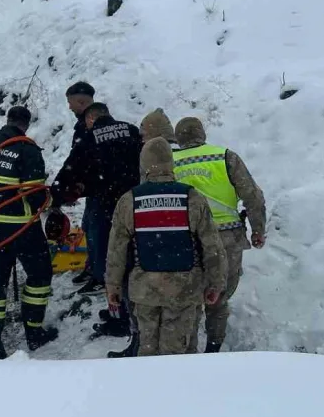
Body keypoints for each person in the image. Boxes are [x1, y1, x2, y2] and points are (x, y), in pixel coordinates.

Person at [105, 138, 227, 356]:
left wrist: (113, 286)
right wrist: (216, 283)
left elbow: (117, 250)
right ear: (171, 164)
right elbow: (212, 246)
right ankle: (179, 386)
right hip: (184, 287)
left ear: (144, 165)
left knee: (148, 347)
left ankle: (149, 387)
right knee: (180, 348)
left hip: (144, 289)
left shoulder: (129, 200)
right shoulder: (191, 197)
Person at [0, 106, 58, 358]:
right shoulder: (28, 151)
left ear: (7, 120)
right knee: (40, 276)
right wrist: (53, 203)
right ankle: (34, 331)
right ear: (26, 125)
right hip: (23, 229)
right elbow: (35, 193)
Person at [173, 116, 267, 353]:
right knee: (220, 296)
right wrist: (258, 229)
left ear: (178, 137)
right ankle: (213, 349)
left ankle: (187, 348)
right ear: (202, 134)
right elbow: (252, 196)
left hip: (187, 240)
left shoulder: (169, 162)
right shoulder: (225, 157)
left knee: (190, 297)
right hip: (226, 238)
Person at [51, 103, 142, 305]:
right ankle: (129, 276)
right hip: (134, 196)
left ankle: (103, 279)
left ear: (91, 119)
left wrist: (56, 195)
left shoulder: (90, 137)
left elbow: (71, 168)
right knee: (129, 239)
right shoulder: (131, 130)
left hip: (106, 198)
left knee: (100, 238)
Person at [106, 106, 179, 358]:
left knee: (141, 304)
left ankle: (141, 347)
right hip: (185, 243)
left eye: (143, 135)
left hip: (151, 241)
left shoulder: (152, 158)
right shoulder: (191, 155)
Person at [58, 81, 97, 285]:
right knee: (89, 226)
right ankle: (93, 267)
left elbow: (77, 159)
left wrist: (61, 186)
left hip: (102, 189)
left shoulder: (89, 126)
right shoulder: (86, 124)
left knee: (95, 229)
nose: (69, 107)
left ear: (81, 101)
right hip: (96, 188)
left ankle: (99, 272)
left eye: (71, 102)